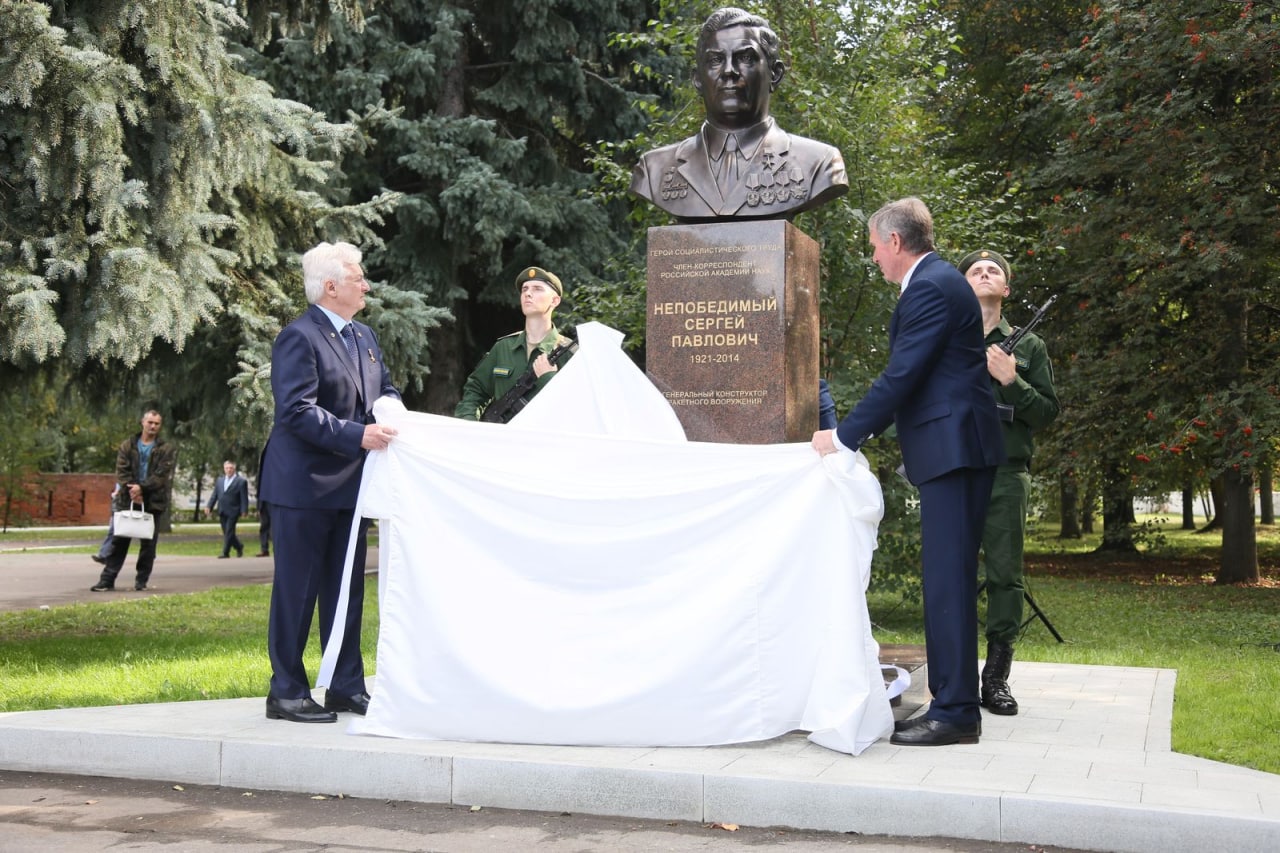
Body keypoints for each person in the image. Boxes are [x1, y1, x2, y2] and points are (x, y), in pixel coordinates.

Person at [811, 198, 1005, 746]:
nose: (873, 257)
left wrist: (842, 437)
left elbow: (902, 377)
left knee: (948, 580)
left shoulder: (930, 286)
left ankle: (957, 713)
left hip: (956, 448)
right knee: (948, 579)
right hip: (954, 446)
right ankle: (953, 702)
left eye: (875, 246)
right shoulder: (940, 283)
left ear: (895, 242)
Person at [258, 241, 401, 724]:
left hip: (350, 487)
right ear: (331, 285)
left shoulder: (364, 337)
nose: (366, 284)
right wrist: (358, 434)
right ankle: (287, 692)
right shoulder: (298, 337)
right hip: (302, 488)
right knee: (297, 592)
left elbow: (384, 392)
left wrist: (396, 416)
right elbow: (296, 411)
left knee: (345, 592)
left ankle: (344, 686)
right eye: (358, 277)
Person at [958, 248, 1060, 716]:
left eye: (994, 269)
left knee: (1004, 577)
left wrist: (1011, 380)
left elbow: (1046, 413)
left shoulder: (1030, 348)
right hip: (955, 472)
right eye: (975, 269)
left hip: (1005, 474)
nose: (984, 272)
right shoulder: (947, 339)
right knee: (950, 576)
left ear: (1006, 290)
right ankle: (952, 675)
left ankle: (995, 678)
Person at [630, 7, 847, 222]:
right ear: (697, 79)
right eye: (715, 60)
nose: (729, 71)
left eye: (745, 58)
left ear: (775, 74)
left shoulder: (819, 163)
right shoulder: (653, 170)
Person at [454, 266, 575, 421]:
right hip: (498, 441)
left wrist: (548, 377)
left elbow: (577, 407)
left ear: (555, 300)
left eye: (537, 289)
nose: (528, 294)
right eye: (525, 289)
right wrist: (470, 425)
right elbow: (476, 390)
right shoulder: (503, 347)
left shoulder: (569, 352)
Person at [91, 409, 177, 592]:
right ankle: (107, 580)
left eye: (157, 423)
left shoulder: (165, 448)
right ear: (142, 422)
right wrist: (133, 489)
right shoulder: (127, 445)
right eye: (150, 422)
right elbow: (122, 471)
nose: (153, 426)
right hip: (127, 499)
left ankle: (141, 581)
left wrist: (143, 488)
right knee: (119, 541)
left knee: (148, 546)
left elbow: (161, 475)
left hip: (152, 502)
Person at [206, 459, 249, 559]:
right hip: (222, 510)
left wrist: (244, 510)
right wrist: (209, 506)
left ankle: (225, 552)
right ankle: (239, 546)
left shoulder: (241, 482)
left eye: (230, 468)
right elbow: (215, 495)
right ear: (224, 469)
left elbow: (244, 497)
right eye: (227, 468)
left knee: (229, 531)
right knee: (227, 533)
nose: (229, 470)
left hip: (234, 510)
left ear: (234, 469)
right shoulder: (220, 480)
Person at [254, 465, 271, 558]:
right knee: (263, 527)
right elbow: (258, 492)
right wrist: (258, 507)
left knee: (276, 529)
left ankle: (278, 550)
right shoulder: (261, 475)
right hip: (263, 505)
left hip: (274, 503)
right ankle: (264, 550)